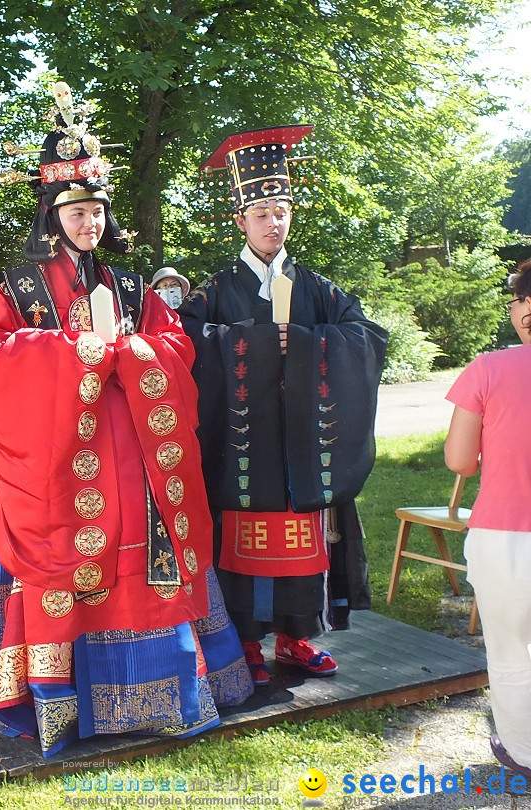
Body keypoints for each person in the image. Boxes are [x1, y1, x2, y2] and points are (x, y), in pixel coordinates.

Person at [0, 83, 252, 757]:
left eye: (97, 210)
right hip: (55, 463)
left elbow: (176, 346)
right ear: (52, 216)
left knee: (146, 566)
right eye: (77, 211)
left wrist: (136, 351)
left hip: (136, 461)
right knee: (64, 563)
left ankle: (162, 694)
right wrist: (85, 354)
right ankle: (53, 703)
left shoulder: (130, 286)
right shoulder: (21, 287)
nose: (89, 222)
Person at [178, 126, 388, 686]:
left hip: (304, 442)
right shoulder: (213, 291)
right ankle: (243, 638)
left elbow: (367, 337)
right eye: (262, 212)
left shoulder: (321, 289)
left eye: (282, 210)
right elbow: (188, 345)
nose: (274, 222)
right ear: (240, 220)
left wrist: (314, 346)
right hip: (242, 443)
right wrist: (264, 343)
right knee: (239, 534)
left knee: (306, 534)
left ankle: (297, 637)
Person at [445, 259, 531, 778]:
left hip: (503, 535)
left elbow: (459, 460)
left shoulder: (488, 368)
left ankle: (523, 754)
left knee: (509, 649)